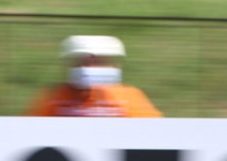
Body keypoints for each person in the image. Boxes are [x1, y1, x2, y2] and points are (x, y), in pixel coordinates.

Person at [23, 35, 162, 118]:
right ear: (71, 65)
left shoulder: (129, 97)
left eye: (100, 62)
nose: (91, 67)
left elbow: (152, 130)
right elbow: (29, 128)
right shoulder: (54, 97)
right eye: (84, 62)